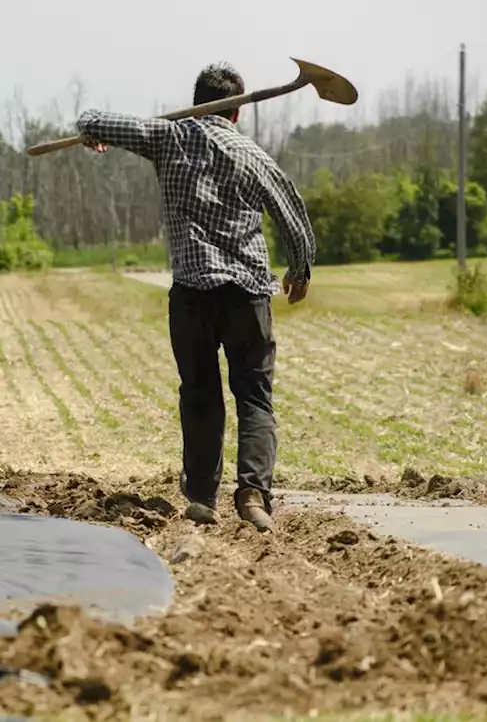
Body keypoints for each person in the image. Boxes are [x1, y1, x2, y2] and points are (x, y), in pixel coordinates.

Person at [74, 62, 316, 533]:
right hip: (247, 295)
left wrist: (90, 132)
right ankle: (252, 494)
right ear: (238, 113)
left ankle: (203, 495)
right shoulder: (253, 155)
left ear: (196, 99)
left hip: (192, 294)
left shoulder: (168, 137)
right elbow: (291, 208)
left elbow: (92, 119)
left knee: (200, 394)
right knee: (255, 398)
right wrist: (300, 267)